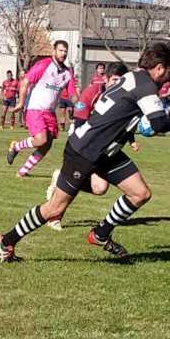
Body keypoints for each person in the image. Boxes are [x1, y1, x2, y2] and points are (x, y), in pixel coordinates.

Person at [0, 42, 170, 263]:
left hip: (105, 151)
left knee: (140, 193)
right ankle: (6, 241)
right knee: (54, 209)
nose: (169, 78)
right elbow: (158, 123)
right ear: (159, 68)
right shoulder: (146, 85)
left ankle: (100, 234)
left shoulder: (133, 77)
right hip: (85, 151)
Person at [46, 62, 131, 231]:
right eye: (114, 80)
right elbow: (79, 121)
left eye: (121, 80)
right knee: (74, 181)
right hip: (80, 143)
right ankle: (54, 217)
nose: (117, 84)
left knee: (100, 188)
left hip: (100, 148)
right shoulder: (91, 92)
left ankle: (59, 178)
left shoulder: (122, 97)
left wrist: (131, 139)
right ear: (105, 78)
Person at [6, 41, 76, 177]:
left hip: (50, 113)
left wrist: (81, 107)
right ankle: (16, 146)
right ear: (54, 50)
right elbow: (25, 81)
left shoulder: (67, 73)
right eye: (61, 50)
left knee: (46, 145)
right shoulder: (44, 64)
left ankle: (23, 171)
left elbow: (73, 95)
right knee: (41, 139)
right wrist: (20, 103)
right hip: (35, 109)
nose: (63, 54)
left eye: (65, 51)